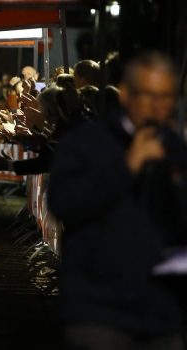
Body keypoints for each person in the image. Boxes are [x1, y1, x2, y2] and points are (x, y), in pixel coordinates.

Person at [48, 52, 187, 350]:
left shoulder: (175, 149)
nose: (157, 106)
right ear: (125, 94)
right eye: (147, 95)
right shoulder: (87, 141)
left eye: (165, 97)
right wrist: (127, 168)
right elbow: (64, 203)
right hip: (99, 312)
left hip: (162, 312)